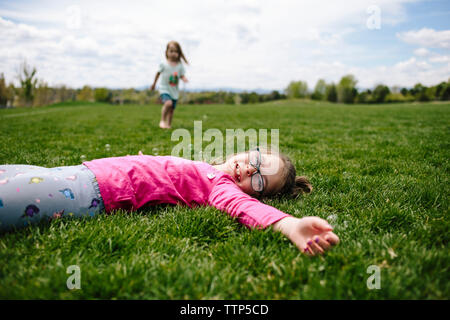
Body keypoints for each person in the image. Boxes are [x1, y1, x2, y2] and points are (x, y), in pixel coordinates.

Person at [0, 148, 339, 256]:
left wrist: (289, 223)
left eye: (260, 180)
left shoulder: (219, 187)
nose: (249, 169)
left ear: (255, 193)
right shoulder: (206, 167)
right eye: (257, 159)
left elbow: (246, 210)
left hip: (89, 191)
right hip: (80, 171)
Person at [150, 41, 189, 129]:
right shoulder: (163, 64)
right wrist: (154, 84)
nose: (173, 53)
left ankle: (168, 125)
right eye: (171, 51)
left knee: (171, 110)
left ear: (179, 53)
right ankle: (162, 120)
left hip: (174, 91)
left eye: (176, 52)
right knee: (168, 103)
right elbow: (158, 74)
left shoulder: (180, 66)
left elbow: (181, 75)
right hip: (164, 88)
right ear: (166, 52)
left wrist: (184, 78)